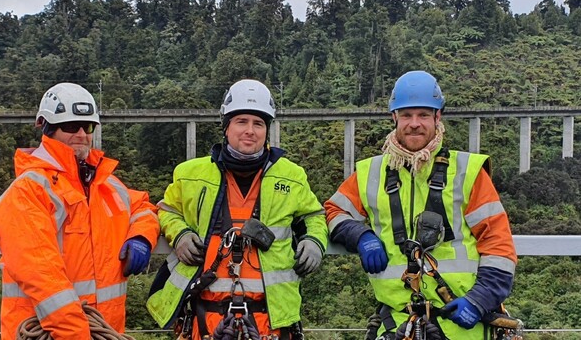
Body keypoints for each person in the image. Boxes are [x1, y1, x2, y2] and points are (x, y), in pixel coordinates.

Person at [324, 71, 518, 339]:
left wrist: (479, 299)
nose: (414, 123)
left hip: (460, 325)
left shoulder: (467, 172)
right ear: (394, 118)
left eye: (424, 115)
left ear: (438, 117)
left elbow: (499, 246)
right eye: (406, 115)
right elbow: (333, 212)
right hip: (397, 323)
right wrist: (360, 235)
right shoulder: (371, 172)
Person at [147, 79, 328, 340]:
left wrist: (314, 241)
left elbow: (314, 216)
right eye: (241, 121)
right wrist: (180, 234)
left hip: (271, 319)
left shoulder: (291, 176)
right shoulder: (190, 175)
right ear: (226, 127)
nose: (250, 131)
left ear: (267, 130)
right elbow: (167, 210)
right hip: (205, 316)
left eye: (258, 124)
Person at [0, 82, 160, 340]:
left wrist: (141, 237)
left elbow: (143, 207)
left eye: (87, 126)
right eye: (70, 126)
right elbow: (44, 281)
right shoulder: (28, 192)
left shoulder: (105, 185)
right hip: (58, 333)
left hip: (105, 330)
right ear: (47, 128)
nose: (81, 134)